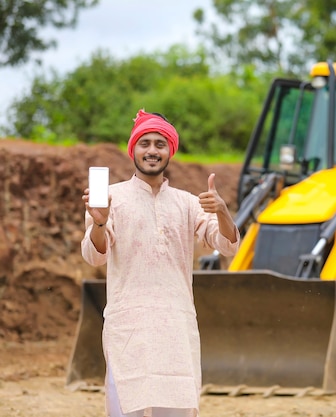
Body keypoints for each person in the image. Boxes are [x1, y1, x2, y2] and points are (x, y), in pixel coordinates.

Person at [81, 109, 240, 417]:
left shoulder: (188, 203)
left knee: (177, 406)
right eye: (144, 143)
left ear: (170, 151)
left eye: (159, 144)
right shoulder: (109, 199)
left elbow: (227, 246)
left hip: (175, 326)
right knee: (128, 404)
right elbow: (94, 255)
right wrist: (99, 223)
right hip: (129, 327)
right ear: (133, 150)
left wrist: (221, 211)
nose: (152, 150)